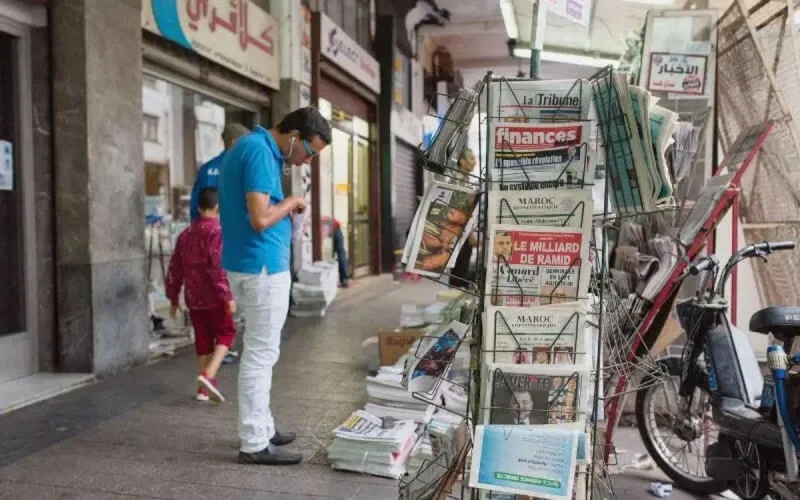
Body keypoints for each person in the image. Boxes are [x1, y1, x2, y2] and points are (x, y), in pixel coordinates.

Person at [218, 107, 331, 466]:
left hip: (252, 264)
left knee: (262, 352)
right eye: (309, 152)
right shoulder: (260, 152)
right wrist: (292, 202)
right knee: (260, 354)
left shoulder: (253, 147)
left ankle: (262, 427)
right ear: (294, 136)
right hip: (260, 267)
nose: (307, 161)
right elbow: (260, 218)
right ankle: (254, 441)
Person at [166, 187, 237, 404]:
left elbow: (174, 268)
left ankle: (202, 391)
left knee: (203, 339)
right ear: (218, 208)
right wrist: (227, 296)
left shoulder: (185, 235)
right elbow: (217, 267)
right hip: (215, 297)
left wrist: (173, 297)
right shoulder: (217, 232)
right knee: (226, 333)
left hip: (193, 297)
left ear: (198, 208)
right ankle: (208, 376)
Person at [189, 123, 250, 222]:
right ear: (234, 142)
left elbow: (195, 208)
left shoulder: (206, 168)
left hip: (211, 230)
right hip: (237, 231)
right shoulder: (245, 167)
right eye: (246, 141)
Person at [321, 216, 349, 287]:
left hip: (336, 230)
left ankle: (344, 280)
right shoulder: (322, 220)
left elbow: (321, 239)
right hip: (337, 230)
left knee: (341, 255)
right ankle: (344, 280)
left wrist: (320, 251)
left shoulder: (322, 223)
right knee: (341, 254)